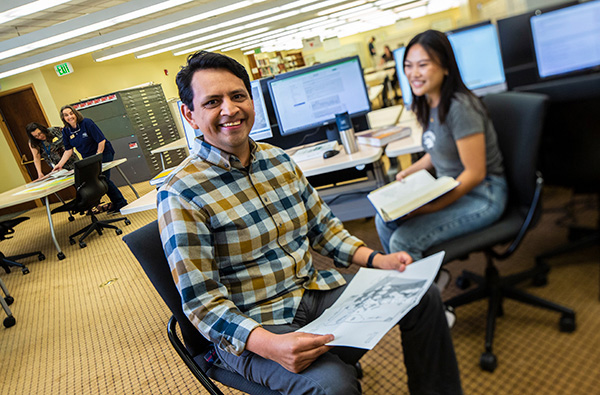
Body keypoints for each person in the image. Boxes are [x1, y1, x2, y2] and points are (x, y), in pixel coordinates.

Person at [157, 51, 462, 394]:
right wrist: (270, 345)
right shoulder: (181, 193)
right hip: (254, 327)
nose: (230, 109)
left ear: (251, 99)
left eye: (237, 96)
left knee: (421, 294)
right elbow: (202, 303)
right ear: (190, 114)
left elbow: (325, 230)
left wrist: (381, 261)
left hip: (312, 293)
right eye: (213, 101)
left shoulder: (278, 160)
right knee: (333, 386)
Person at [375, 30, 508, 261]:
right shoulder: (429, 102)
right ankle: (425, 280)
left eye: (423, 65)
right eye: (408, 65)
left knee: (403, 240)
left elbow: (475, 174)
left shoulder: (460, 107)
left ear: (446, 67)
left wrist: (432, 207)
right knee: (385, 219)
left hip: (483, 196)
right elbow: (436, 152)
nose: (413, 73)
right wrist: (408, 173)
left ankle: (426, 294)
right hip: (450, 188)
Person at [53, 105, 128, 213]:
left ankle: (120, 203)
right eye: (66, 115)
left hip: (103, 152)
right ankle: (104, 204)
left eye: (71, 113)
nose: (69, 116)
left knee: (102, 179)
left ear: (75, 114)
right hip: (88, 157)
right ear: (63, 118)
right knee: (93, 181)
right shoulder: (66, 131)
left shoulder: (87, 123)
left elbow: (101, 141)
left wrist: (98, 157)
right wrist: (60, 165)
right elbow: (69, 150)